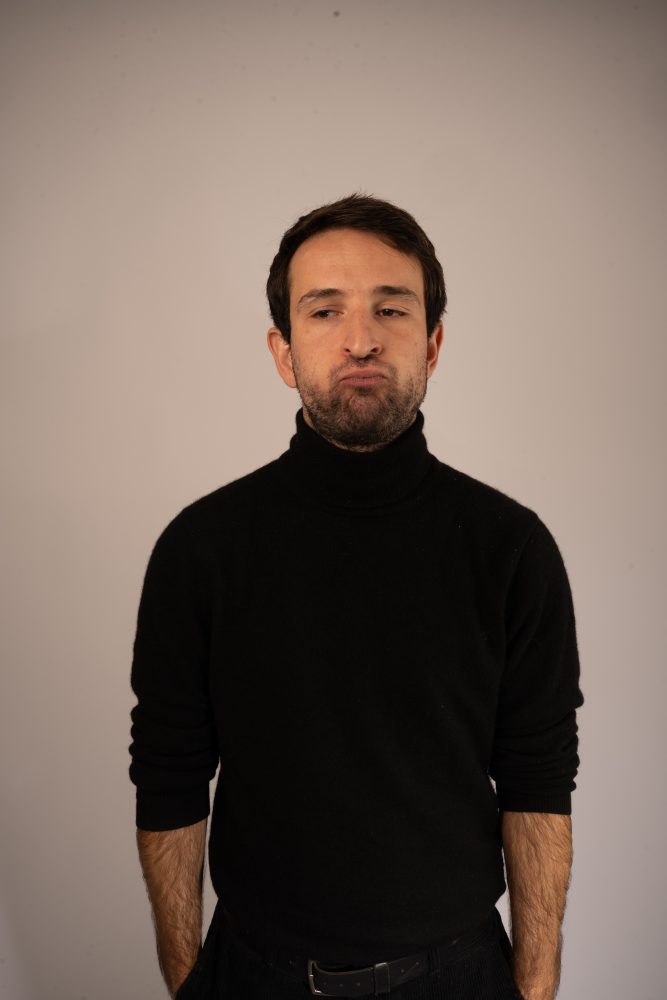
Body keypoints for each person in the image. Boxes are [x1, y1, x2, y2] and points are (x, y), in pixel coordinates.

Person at [129, 194, 583, 1000]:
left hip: (459, 976)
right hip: (252, 975)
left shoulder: (510, 550)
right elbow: (170, 773)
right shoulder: (200, 550)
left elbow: (536, 780)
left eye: (391, 308)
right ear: (283, 351)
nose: (361, 338)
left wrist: (535, 986)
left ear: (432, 343)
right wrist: (189, 980)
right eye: (325, 310)